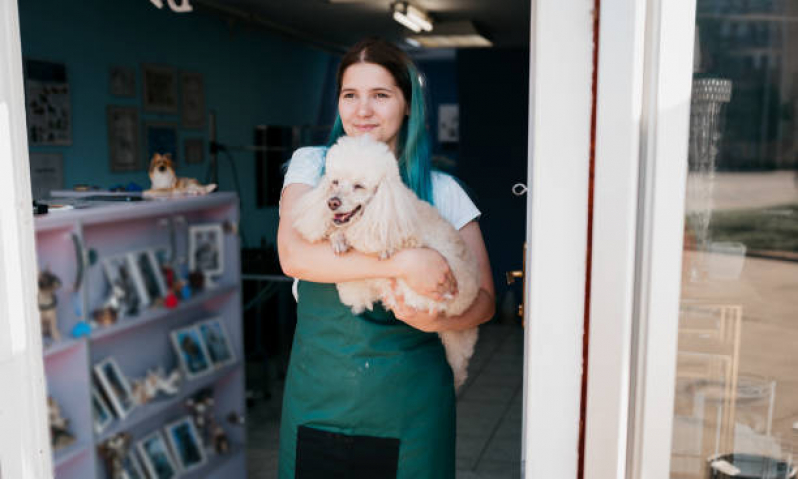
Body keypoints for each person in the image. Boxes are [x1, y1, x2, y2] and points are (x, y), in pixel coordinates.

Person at [277, 37, 495, 479]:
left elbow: (487, 301)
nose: (362, 111)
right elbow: (294, 255)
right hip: (320, 399)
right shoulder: (315, 168)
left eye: (381, 95)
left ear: (408, 104)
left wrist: (437, 321)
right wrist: (402, 263)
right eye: (350, 95)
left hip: (411, 408)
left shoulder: (443, 192)